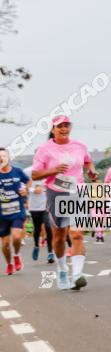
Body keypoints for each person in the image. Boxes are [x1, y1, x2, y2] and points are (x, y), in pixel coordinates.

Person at [31, 115, 98, 290]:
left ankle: (77, 275)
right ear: (53, 129)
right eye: (59, 126)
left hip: (78, 192)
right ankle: (62, 269)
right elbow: (35, 175)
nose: (63, 128)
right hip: (56, 193)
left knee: (76, 234)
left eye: (66, 125)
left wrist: (91, 172)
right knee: (59, 236)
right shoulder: (44, 149)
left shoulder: (79, 145)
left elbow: (88, 161)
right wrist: (53, 170)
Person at [0, 148, 29, 275]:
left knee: (17, 237)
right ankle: (9, 263)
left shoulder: (17, 171)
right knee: (5, 244)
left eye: (4, 156)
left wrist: (26, 190)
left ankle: (16, 255)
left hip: (17, 210)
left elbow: (28, 181)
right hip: (2, 214)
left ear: (8, 157)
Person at [26, 171, 53, 263]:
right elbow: (25, 188)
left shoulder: (48, 176)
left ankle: (50, 252)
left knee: (48, 227)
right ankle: (36, 246)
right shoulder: (31, 174)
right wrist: (33, 190)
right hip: (34, 207)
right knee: (37, 229)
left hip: (45, 207)